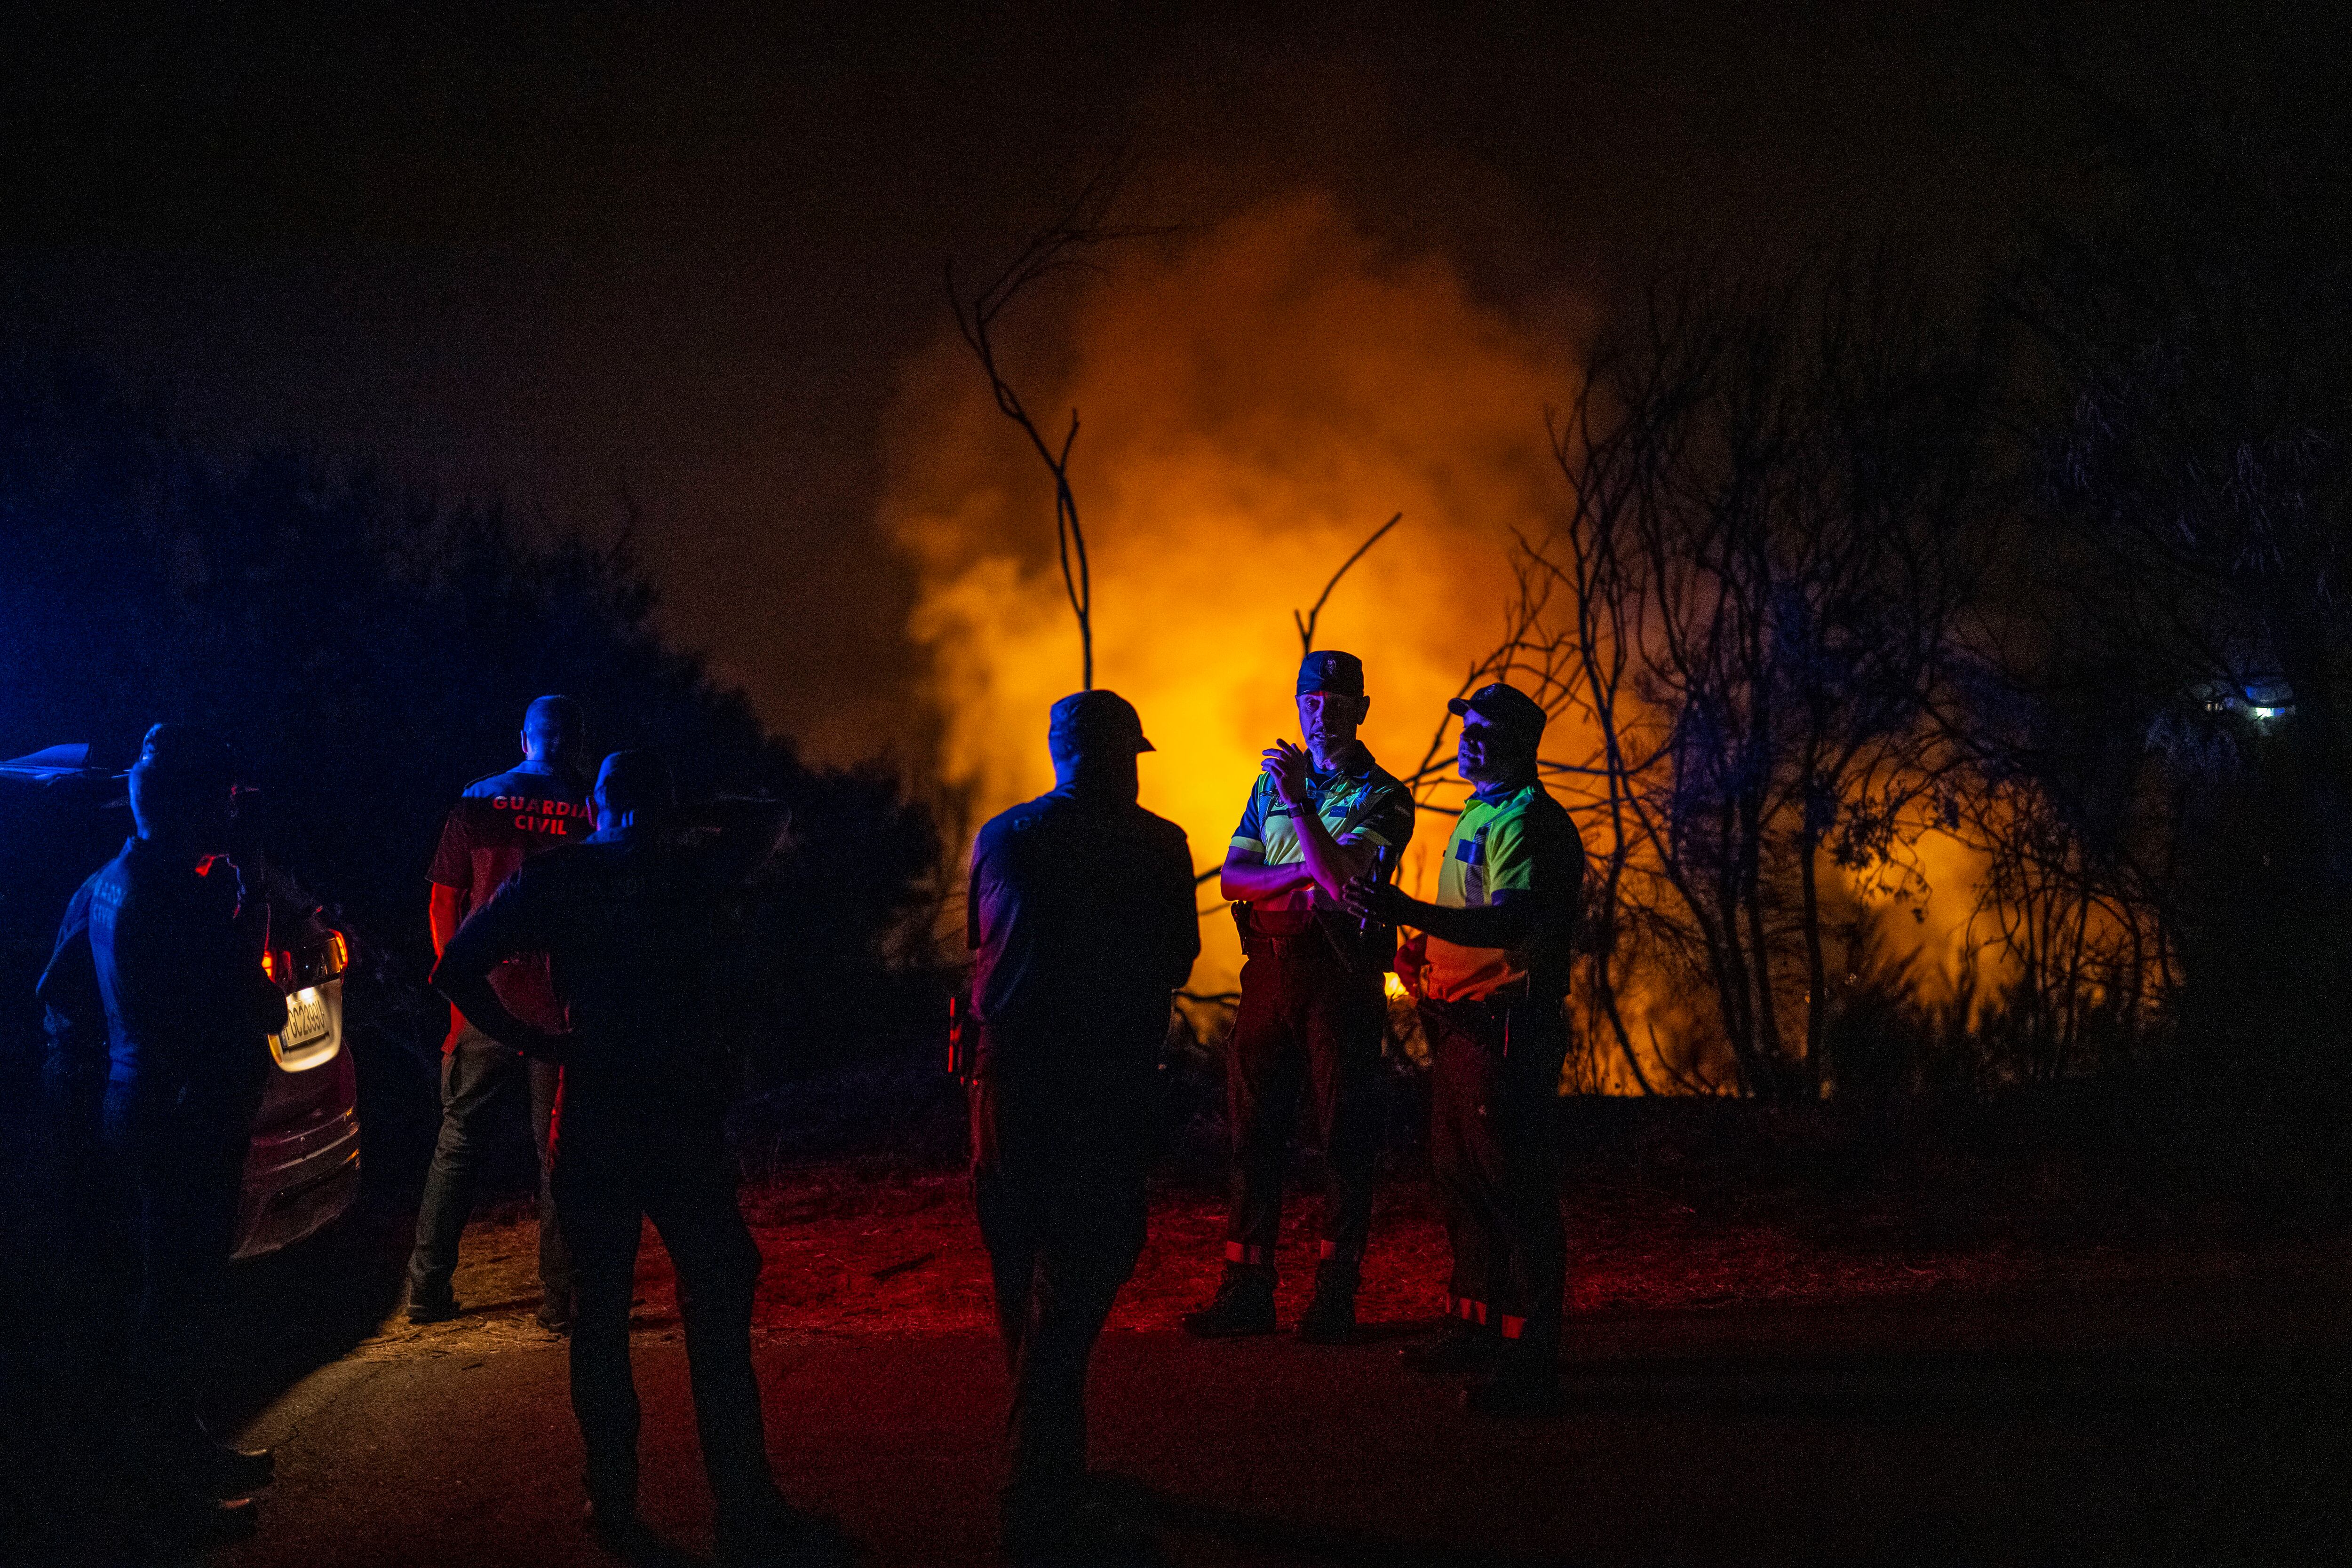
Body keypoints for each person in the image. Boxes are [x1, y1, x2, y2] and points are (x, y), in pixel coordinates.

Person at [431, 752, 840, 1567]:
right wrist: (676, 813)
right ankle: (742, 1498)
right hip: (682, 1114)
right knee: (716, 1300)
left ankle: (613, 1497)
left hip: (593, 1111)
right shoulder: (690, 868)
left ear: (595, 805)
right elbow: (771, 815)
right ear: (664, 805)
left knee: (600, 1312)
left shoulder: (557, 877)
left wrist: (534, 1039)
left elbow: (454, 968)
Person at [37, 725, 286, 1549]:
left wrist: (108, 1066)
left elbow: (58, 990)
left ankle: (184, 1453)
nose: (230, 811)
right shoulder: (185, 899)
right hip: (184, 1120)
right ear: (186, 805)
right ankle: (166, 1497)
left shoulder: (108, 879)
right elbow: (262, 1006)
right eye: (220, 799)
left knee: (165, 1298)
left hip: (144, 1109)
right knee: (175, 1307)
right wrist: (252, 890)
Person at [967, 690, 1198, 1566]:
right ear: (1120, 758)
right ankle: (1038, 1500)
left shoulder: (1003, 835)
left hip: (1005, 1083)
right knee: (1082, 1274)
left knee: (1021, 1265)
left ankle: (1049, 1461)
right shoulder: (1156, 844)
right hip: (1099, 1087)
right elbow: (1177, 958)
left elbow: (984, 945)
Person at [1346, 682, 1583, 1416]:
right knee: (1463, 1181)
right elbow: (1473, 913)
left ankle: (1530, 1358)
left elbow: (1509, 924)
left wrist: (1407, 910)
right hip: (1461, 1027)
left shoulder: (1528, 821)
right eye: (1466, 729)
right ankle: (1476, 1327)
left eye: (1486, 732)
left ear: (1523, 744)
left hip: (1503, 1029)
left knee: (1514, 1189)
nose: (1469, 741)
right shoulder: (1480, 810)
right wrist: (1424, 950)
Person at [1183, 650, 1414, 1343]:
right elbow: (1234, 878)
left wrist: (1302, 810)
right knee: (1253, 1131)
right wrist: (1298, 876)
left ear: (1362, 710)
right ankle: (1246, 1289)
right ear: (1298, 704)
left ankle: (1335, 1295)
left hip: (1339, 973)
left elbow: (1342, 883)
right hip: (1269, 967)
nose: (1323, 717)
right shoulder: (1271, 784)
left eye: (1338, 705)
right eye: (1312, 702)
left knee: (1343, 1134)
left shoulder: (1384, 794)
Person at [404, 695, 590, 1328]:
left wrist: (459, 984)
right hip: (558, 1002)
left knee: (458, 1140)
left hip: (485, 992)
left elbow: (443, 903)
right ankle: (560, 1301)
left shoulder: (478, 800)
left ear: (524, 739)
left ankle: (427, 1289)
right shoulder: (591, 806)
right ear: (575, 742)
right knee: (559, 1151)